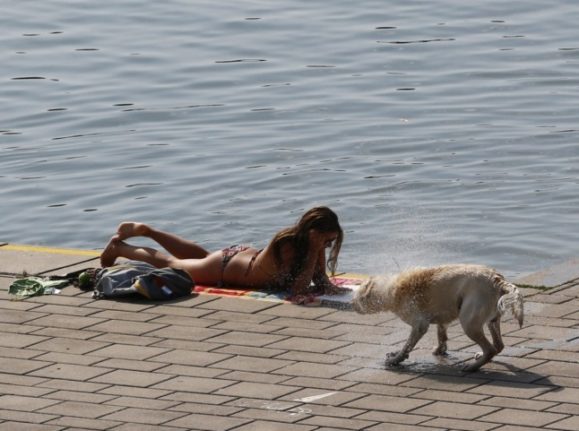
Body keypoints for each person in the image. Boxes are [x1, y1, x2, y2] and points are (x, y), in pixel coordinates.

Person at [100, 206, 347, 296]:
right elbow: (299, 288)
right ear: (313, 233)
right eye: (326, 240)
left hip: (237, 258)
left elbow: (321, 281)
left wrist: (338, 291)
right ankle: (121, 247)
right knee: (172, 264)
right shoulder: (289, 245)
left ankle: (149, 231)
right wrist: (315, 251)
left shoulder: (310, 243)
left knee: (200, 258)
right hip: (226, 268)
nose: (326, 246)